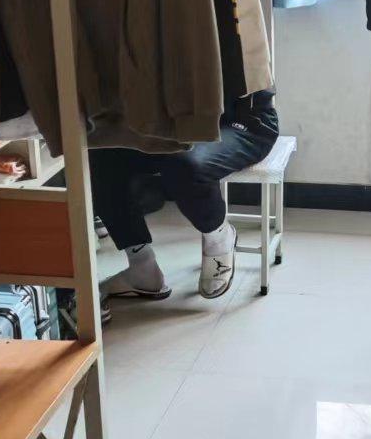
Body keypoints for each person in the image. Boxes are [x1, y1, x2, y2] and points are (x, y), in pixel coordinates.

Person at [89, 89, 279, 304]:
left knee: (185, 164)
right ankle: (141, 264)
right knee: (101, 150)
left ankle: (219, 237)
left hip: (243, 120)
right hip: (177, 119)